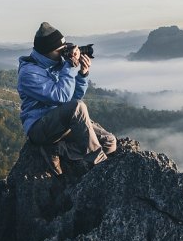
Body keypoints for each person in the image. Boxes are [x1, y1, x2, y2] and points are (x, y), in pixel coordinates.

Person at [18, 22, 117, 175]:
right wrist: (69, 67)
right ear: (47, 51)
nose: (64, 53)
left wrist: (82, 75)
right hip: (40, 127)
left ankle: (59, 150)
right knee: (78, 107)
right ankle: (99, 165)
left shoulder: (58, 64)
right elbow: (62, 98)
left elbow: (73, 98)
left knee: (109, 142)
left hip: (62, 123)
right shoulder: (29, 73)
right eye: (60, 50)